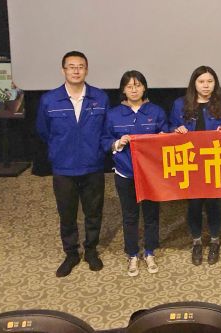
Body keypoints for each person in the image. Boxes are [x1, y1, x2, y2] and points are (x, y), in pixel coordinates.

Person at [35, 51, 109, 277]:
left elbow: (106, 130)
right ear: (63, 70)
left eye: (80, 66)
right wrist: (60, 150)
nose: (76, 71)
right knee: (66, 214)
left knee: (93, 212)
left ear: (86, 70)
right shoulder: (49, 100)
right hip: (63, 167)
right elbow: (43, 131)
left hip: (92, 165)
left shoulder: (100, 98)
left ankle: (91, 251)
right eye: (71, 66)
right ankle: (71, 254)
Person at [102, 70, 169, 276]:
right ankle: (132, 253)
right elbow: (104, 140)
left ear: (144, 87)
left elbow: (166, 135)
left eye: (138, 85)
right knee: (129, 215)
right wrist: (117, 143)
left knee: (151, 214)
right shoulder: (113, 114)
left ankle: (149, 252)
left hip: (151, 175)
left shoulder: (156, 111)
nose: (134, 90)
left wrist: (163, 137)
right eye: (129, 86)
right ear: (123, 89)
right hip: (125, 172)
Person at [169, 66, 221, 266]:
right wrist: (176, 130)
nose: (206, 86)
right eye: (201, 82)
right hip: (190, 163)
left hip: (214, 162)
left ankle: (215, 240)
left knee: (214, 204)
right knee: (194, 204)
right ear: (194, 84)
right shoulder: (180, 104)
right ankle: (196, 241)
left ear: (215, 84)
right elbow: (169, 129)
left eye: (210, 81)